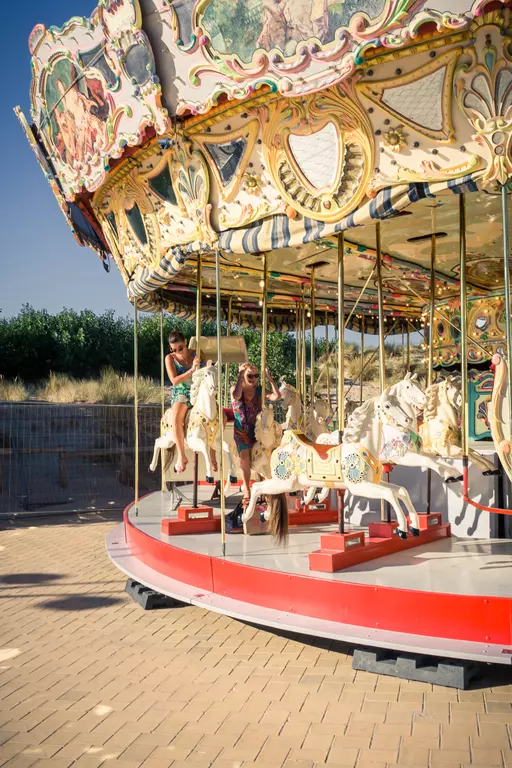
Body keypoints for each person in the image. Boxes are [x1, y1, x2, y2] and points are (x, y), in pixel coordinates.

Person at [231, 362, 281, 505]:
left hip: (257, 430)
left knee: (267, 454)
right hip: (242, 431)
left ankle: (268, 487)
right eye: (249, 375)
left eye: (256, 375)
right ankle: (246, 489)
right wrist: (240, 376)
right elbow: (236, 396)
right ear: (242, 375)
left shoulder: (260, 391)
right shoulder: (235, 388)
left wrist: (269, 378)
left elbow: (276, 396)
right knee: (245, 457)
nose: (253, 378)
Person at [165, 331, 203, 474]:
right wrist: (192, 369)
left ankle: (212, 455)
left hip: (197, 389)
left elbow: (205, 372)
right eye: (173, 349)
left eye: (180, 348)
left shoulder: (196, 354)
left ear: (185, 342)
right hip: (182, 392)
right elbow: (174, 381)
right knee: (176, 419)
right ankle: (181, 456)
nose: (177, 352)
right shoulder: (169, 358)